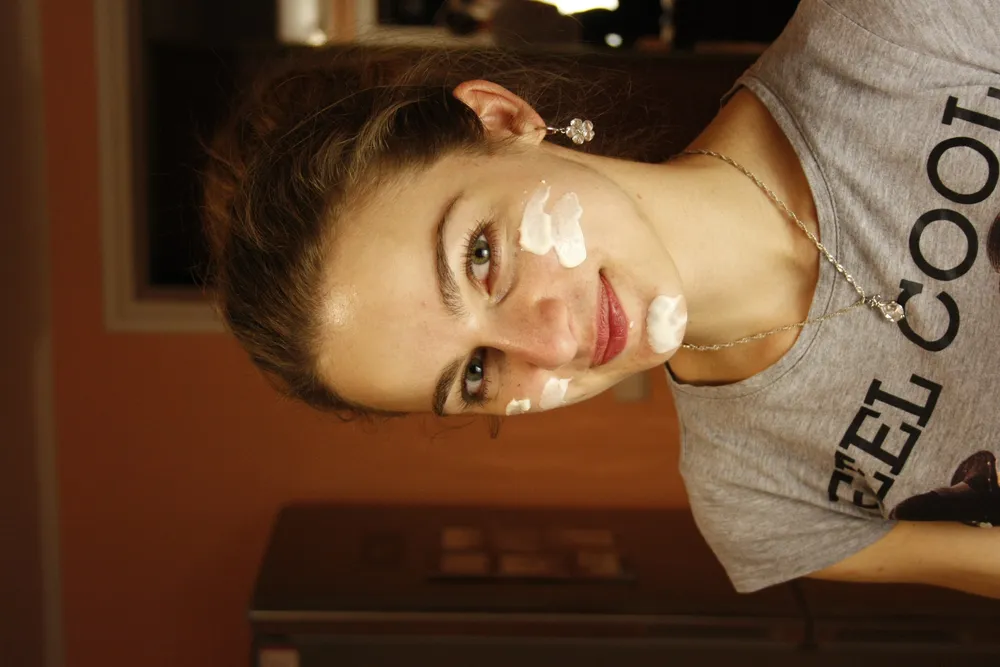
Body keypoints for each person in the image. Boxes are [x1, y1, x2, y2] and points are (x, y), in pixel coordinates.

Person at [202, 0, 1000, 598]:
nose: (551, 345)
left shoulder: (888, 29)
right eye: (476, 373)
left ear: (502, 118)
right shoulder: (759, 503)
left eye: (481, 256)